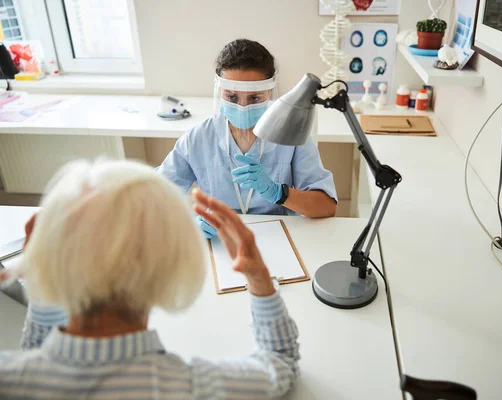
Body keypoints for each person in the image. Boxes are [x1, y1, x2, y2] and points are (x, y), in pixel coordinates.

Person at [0, 159, 300, 399]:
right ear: (172, 268)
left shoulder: (12, 379)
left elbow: (36, 357)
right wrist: (258, 276)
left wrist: (43, 275)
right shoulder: (191, 386)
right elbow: (280, 363)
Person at [156, 39, 337, 238]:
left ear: (269, 91)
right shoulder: (197, 139)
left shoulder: (290, 137)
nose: (242, 107)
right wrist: (188, 224)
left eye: (254, 98)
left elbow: (326, 207)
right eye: (232, 97)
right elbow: (154, 196)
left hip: (278, 238)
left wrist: (278, 192)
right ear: (220, 91)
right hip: (219, 239)